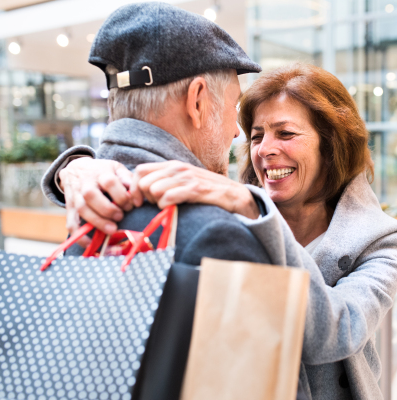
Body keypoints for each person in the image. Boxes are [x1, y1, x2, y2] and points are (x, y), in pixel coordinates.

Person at [45, 62, 397, 400]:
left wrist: (253, 208)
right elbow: (141, 174)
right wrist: (75, 167)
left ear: (331, 145)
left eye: (285, 133)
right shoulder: (226, 211)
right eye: (256, 135)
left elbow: (339, 329)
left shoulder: (382, 241)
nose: (265, 149)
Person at [40, 3, 278, 399]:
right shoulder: (217, 233)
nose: (237, 132)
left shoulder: (85, 205)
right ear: (198, 101)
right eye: (234, 108)